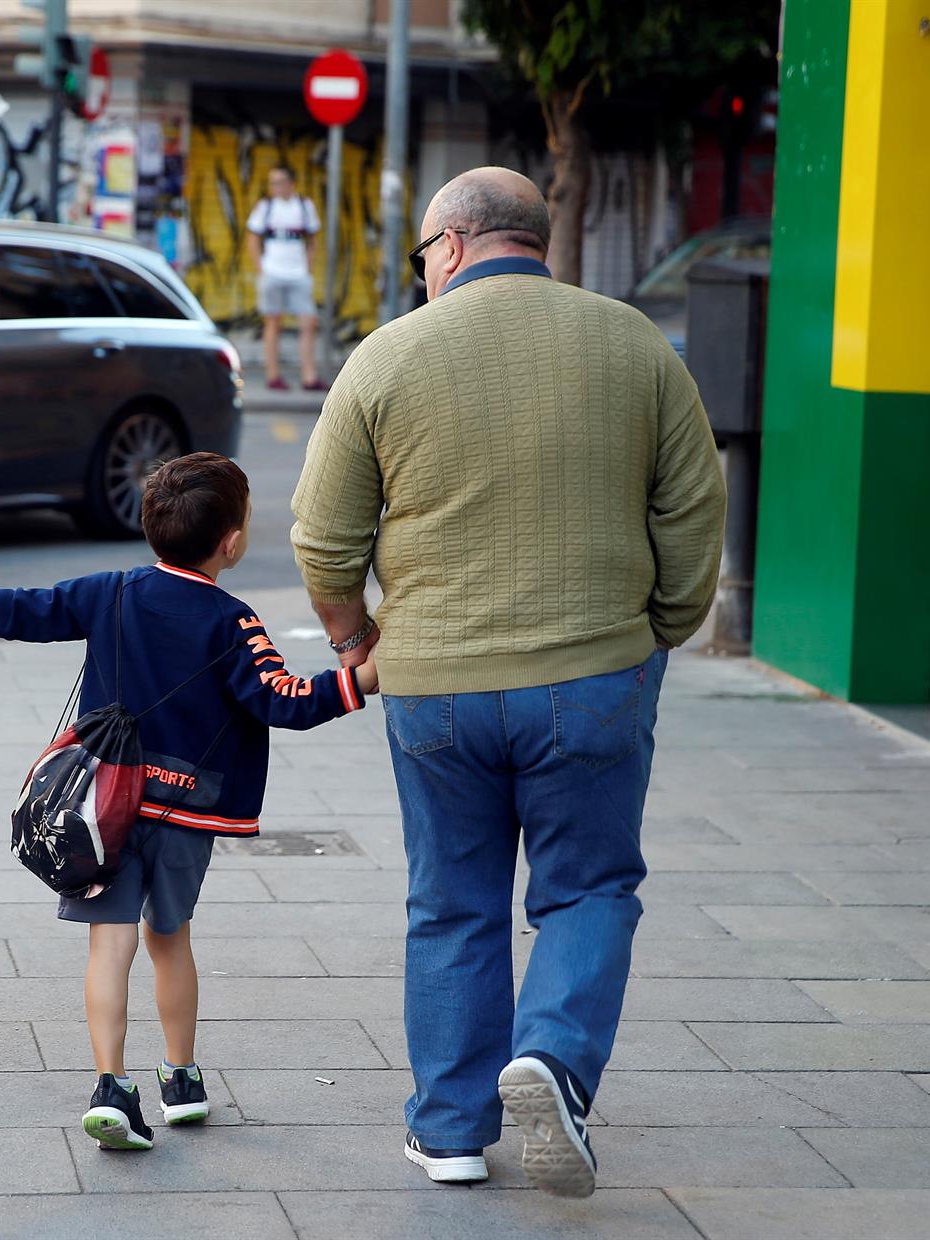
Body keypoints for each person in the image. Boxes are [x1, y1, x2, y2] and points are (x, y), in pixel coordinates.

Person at [289, 167, 725, 1197]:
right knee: (589, 887)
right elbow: (692, 512)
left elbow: (323, 538)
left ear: (449, 245)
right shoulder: (635, 345)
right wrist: (658, 632)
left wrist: (356, 639)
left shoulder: (387, 355)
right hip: (595, 671)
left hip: (434, 685)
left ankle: (448, 1129)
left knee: (451, 899)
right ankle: (554, 1062)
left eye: (422, 256)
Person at [0, 453, 378, 1150]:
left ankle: (111, 1087)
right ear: (232, 543)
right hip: (188, 812)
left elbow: (22, 609)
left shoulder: (110, 593)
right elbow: (283, 701)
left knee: (110, 944)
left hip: (103, 812)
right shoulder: (234, 623)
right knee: (170, 938)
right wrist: (362, 679)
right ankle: (181, 1080)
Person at [245, 165, 324, 392]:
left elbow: (312, 240)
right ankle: (273, 376)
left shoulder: (304, 206)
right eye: (272, 183)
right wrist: (262, 270)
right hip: (272, 274)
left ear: (291, 183)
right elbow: (252, 239)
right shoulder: (265, 207)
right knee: (273, 323)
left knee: (308, 323)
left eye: (279, 182)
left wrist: (308, 268)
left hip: (298, 274)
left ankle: (309, 377)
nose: (275, 187)